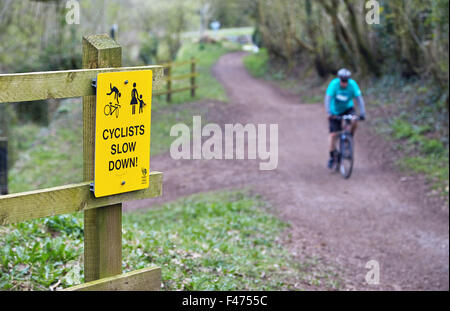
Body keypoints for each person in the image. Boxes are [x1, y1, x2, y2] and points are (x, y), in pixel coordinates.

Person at [324, 68, 366, 169]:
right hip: (334, 111)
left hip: (348, 108)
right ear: (339, 80)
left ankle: (349, 137)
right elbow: (328, 98)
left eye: (346, 81)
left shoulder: (352, 84)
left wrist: (363, 112)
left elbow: (359, 99)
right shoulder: (334, 84)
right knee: (333, 134)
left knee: (354, 120)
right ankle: (332, 155)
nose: (344, 83)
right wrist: (329, 112)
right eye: (342, 81)